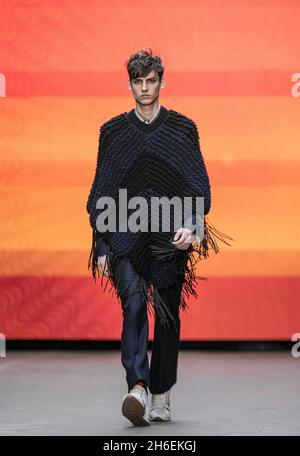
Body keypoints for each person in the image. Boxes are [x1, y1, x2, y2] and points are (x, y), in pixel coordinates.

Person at [86, 48, 231, 427]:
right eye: (138, 81)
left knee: (166, 316)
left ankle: (161, 393)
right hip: (125, 235)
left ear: (162, 82)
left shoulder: (182, 130)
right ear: (130, 83)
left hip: (171, 238)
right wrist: (102, 243)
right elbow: (102, 190)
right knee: (133, 304)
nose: (145, 87)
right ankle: (137, 386)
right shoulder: (113, 132)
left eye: (151, 80)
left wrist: (193, 224)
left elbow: (198, 186)